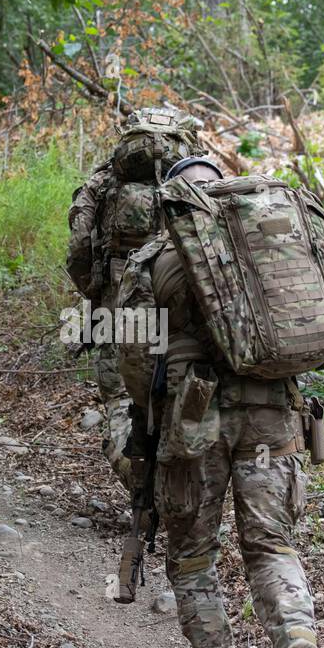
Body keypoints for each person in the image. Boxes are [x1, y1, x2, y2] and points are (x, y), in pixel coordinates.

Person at [118, 156, 324, 648]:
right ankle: (296, 635)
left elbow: (130, 354)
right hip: (273, 415)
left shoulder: (154, 258)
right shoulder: (271, 244)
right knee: (271, 545)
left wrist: (151, 414)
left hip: (195, 420)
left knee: (194, 553)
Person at [65, 106, 202, 491]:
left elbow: (78, 249)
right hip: (184, 314)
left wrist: (98, 292)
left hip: (122, 312)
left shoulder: (104, 183)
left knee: (123, 401)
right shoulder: (197, 182)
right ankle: (182, 492)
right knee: (181, 396)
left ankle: (139, 482)